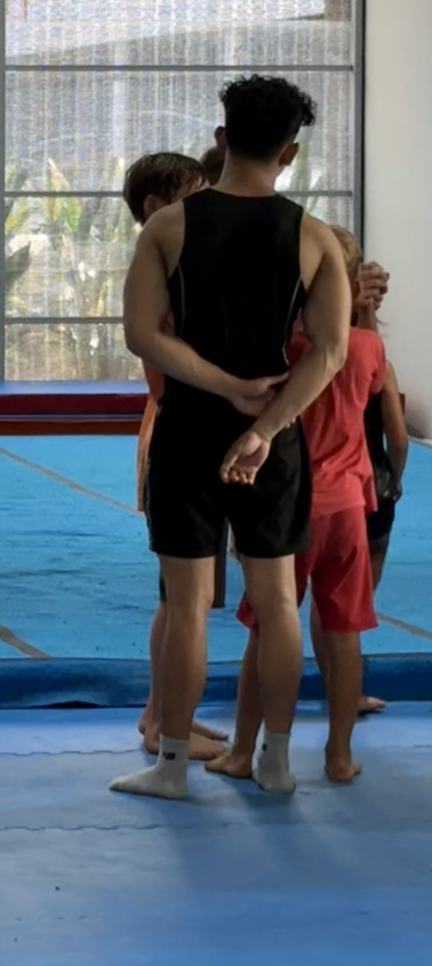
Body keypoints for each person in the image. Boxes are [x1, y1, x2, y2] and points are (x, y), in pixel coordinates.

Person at [110, 75, 351, 801]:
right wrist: (265, 425)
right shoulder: (314, 236)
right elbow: (331, 351)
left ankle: (171, 766)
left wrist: (222, 386)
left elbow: (141, 335)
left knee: (187, 604)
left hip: (190, 425)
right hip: (272, 436)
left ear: (221, 137)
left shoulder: (168, 227)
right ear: (290, 152)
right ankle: (275, 759)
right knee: (277, 602)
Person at [210, 227, 385, 784]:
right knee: (344, 633)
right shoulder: (367, 347)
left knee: (266, 628)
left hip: (291, 508)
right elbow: (374, 393)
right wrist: (362, 312)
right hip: (349, 509)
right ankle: (339, 755)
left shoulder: (288, 354)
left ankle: (244, 749)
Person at [123, 151, 228, 762]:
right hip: (177, 433)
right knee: (182, 596)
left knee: (184, 596)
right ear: (155, 208)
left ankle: (161, 711)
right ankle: (162, 723)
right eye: (192, 198)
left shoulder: (180, 266)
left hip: (190, 430)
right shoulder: (156, 271)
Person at [315, 253, 407, 715]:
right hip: (371, 481)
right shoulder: (377, 361)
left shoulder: (309, 354)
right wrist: (397, 478)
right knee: (349, 607)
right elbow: (399, 436)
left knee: (324, 601)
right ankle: (344, 698)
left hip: (323, 485)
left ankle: (337, 686)